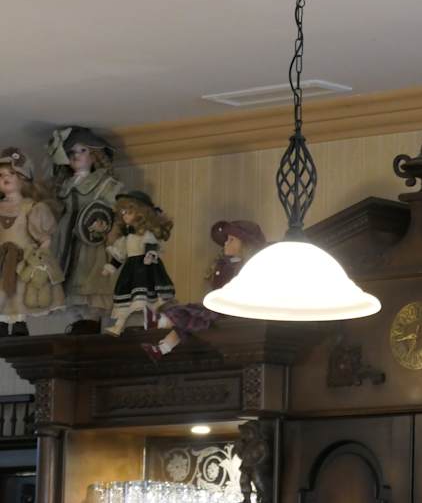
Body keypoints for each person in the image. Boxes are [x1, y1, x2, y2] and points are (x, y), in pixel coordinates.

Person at [140, 219, 266, 361]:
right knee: (191, 319)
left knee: (196, 315)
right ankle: (162, 347)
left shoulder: (248, 268)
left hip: (233, 312)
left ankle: (162, 322)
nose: (226, 243)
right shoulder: (226, 265)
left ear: (245, 244)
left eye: (231, 240)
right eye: (227, 239)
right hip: (221, 308)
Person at [48, 126, 123, 333]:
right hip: (65, 238)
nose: (76, 155)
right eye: (72, 152)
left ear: (95, 155)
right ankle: (77, 322)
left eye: (82, 150)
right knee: (67, 274)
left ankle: (90, 322)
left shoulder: (105, 184)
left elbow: (114, 212)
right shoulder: (65, 185)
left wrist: (104, 227)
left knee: (87, 273)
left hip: (89, 239)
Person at [0, 148, 65, 336]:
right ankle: (2, 323)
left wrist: (41, 258)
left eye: (11, 173)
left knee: (20, 292)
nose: (5, 178)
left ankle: (19, 323)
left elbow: (44, 238)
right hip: (1, 260)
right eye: (1, 175)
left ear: (23, 177)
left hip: (23, 260)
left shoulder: (32, 207)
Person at [102, 191, 175, 336]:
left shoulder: (146, 234)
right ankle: (119, 325)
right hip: (131, 271)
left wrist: (149, 255)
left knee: (146, 299)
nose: (125, 216)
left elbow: (151, 246)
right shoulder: (126, 237)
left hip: (146, 270)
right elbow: (120, 255)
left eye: (129, 212)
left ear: (141, 213)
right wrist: (111, 267)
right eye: (123, 212)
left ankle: (158, 320)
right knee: (127, 301)